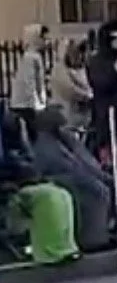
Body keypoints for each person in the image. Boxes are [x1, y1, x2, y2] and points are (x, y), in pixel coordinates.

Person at [26, 106, 114, 252]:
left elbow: (83, 159)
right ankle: (92, 239)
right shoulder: (44, 144)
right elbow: (59, 165)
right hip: (58, 177)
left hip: (76, 173)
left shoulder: (65, 138)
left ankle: (112, 230)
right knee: (96, 191)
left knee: (114, 185)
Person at [0, 109, 79, 266]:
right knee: (47, 197)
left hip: (12, 183)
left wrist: (22, 172)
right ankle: (49, 253)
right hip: (6, 187)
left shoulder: (9, 123)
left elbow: (24, 158)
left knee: (60, 194)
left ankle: (62, 249)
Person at [10, 23, 50, 137]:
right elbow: (30, 82)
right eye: (43, 38)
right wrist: (37, 104)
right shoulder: (31, 57)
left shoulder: (33, 56)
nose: (46, 41)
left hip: (27, 104)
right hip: (26, 106)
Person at [49, 38, 93, 133]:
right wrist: (88, 96)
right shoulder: (59, 70)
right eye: (76, 52)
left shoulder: (82, 69)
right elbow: (70, 90)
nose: (80, 56)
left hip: (83, 120)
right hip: (67, 120)